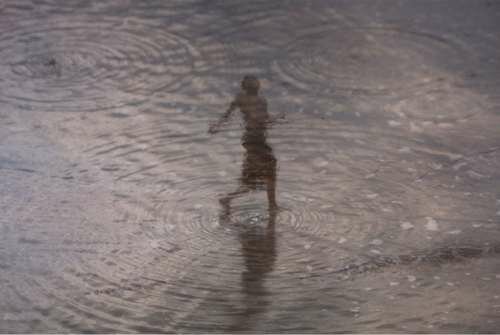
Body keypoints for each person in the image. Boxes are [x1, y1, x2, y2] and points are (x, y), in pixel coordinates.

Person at [209, 75, 279, 214]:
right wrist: (218, 125)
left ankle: (228, 199)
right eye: (252, 84)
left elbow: (264, 119)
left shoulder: (259, 100)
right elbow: (231, 115)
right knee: (268, 170)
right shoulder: (244, 99)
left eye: (255, 83)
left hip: (258, 139)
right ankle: (271, 206)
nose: (256, 86)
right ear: (246, 87)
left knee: (255, 178)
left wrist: (276, 119)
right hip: (253, 140)